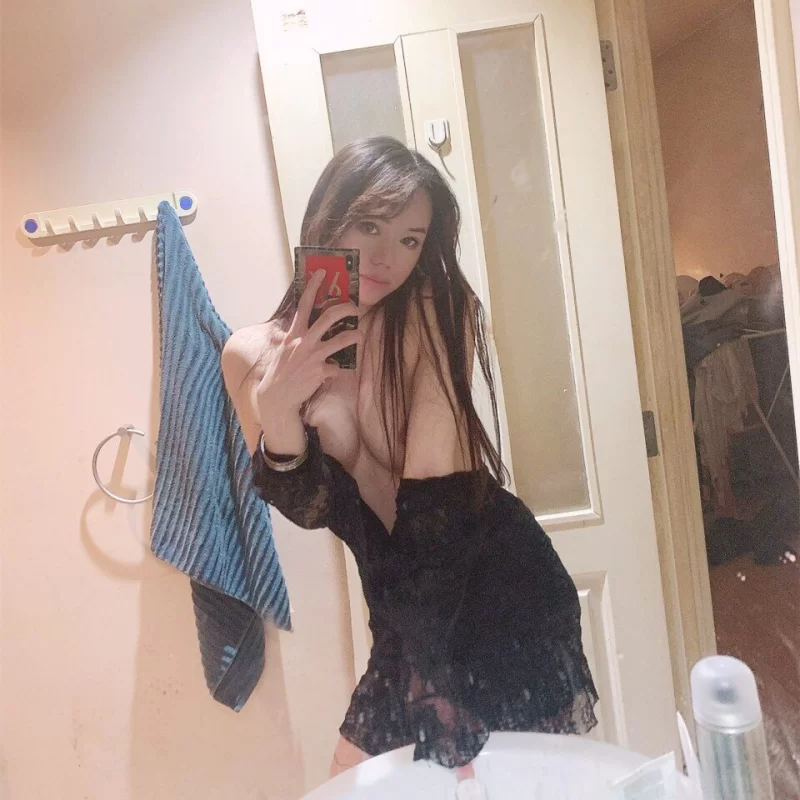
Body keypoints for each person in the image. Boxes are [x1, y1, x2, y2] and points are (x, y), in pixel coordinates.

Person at [222, 137, 598, 792]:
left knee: (512, 784)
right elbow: (311, 508)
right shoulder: (250, 356)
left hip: (496, 585)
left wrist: (426, 687)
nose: (386, 258)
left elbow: (439, 517)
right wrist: (278, 411)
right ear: (327, 218)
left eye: (410, 239)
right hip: (402, 601)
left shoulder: (431, 314)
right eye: (369, 226)